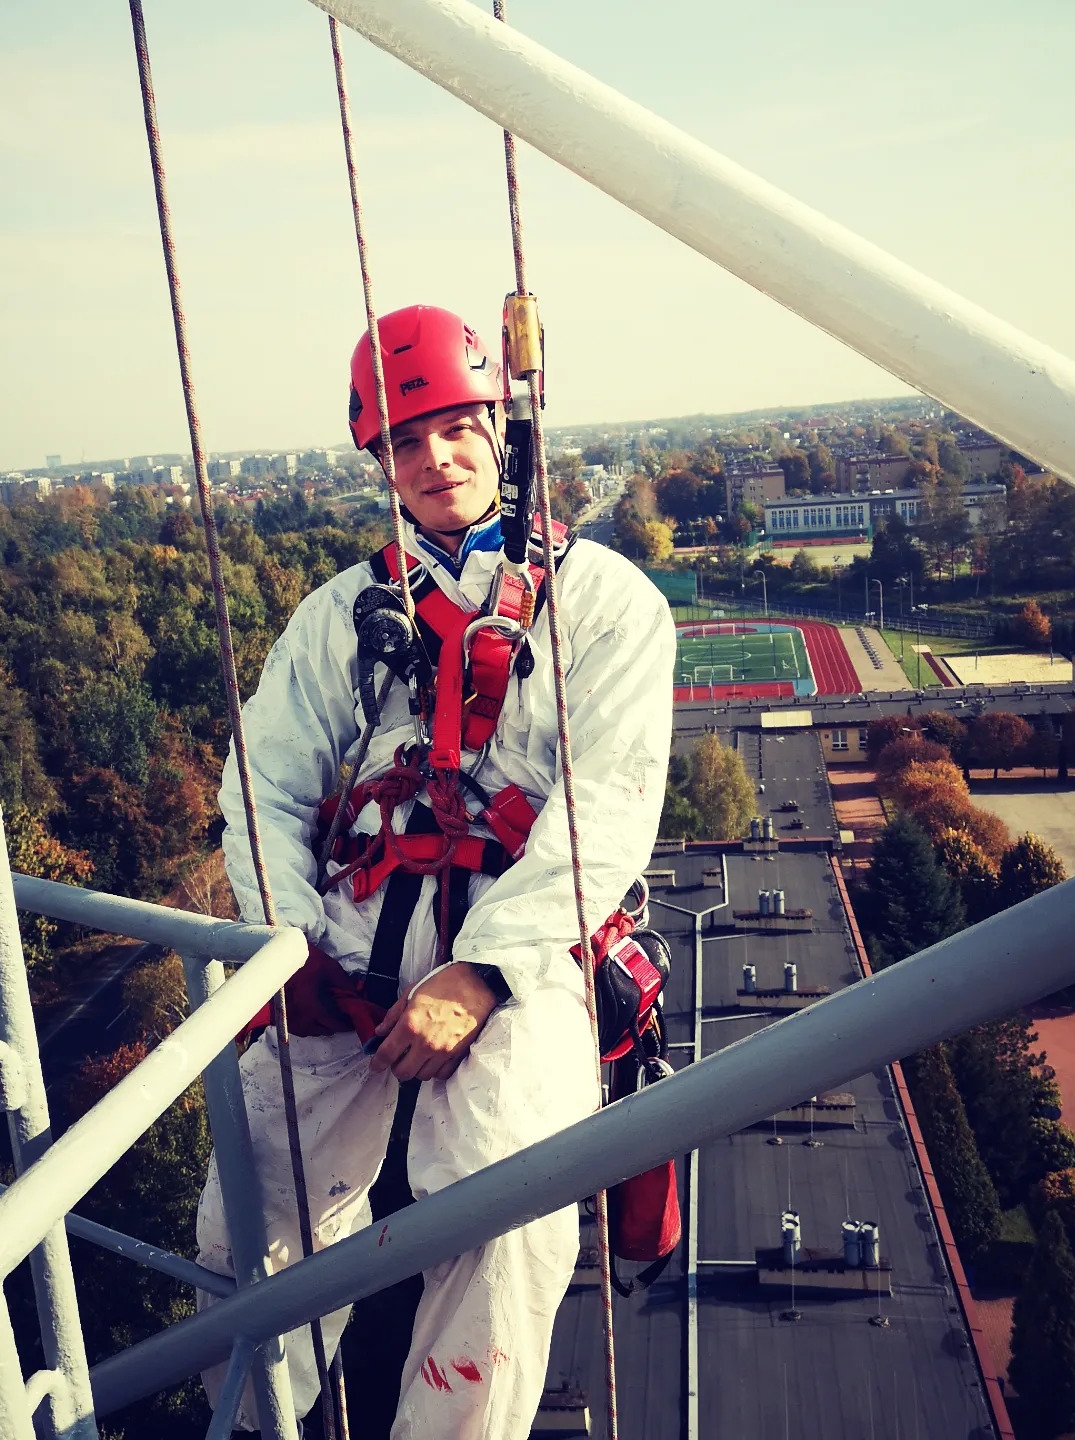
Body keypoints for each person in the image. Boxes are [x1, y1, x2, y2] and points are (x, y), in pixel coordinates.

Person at [197, 304, 674, 1437]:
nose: (437, 458)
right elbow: (260, 787)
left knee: (502, 1214)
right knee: (248, 1210)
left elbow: (607, 807)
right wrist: (290, 945)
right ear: (381, 460)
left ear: (499, 427)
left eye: (458, 428)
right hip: (352, 933)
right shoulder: (339, 618)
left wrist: (487, 971)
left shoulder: (606, 603)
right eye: (407, 440)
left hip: (526, 946)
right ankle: (261, 1420)